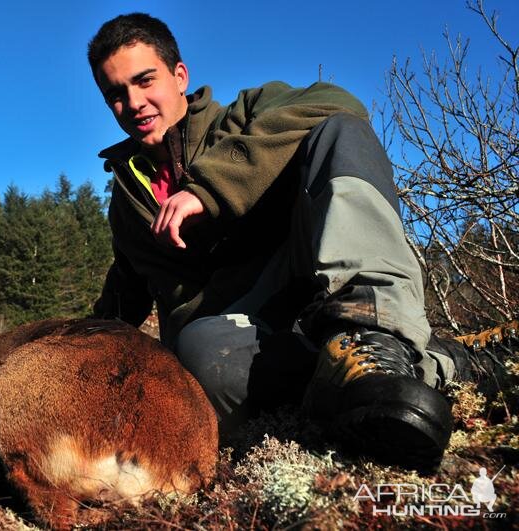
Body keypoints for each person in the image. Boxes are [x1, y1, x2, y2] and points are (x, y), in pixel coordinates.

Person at [87, 13, 514, 471]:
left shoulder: (247, 115)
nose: (133, 102)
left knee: (340, 130)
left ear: (179, 75)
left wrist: (208, 188)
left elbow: (337, 101)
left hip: (314, 300)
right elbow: (124, 290)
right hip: (235, 347)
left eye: (144, 80)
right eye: (116, 94)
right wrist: (76, 350)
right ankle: (438, 370)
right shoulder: (127, 198)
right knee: (201, 355)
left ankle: (373, 341)